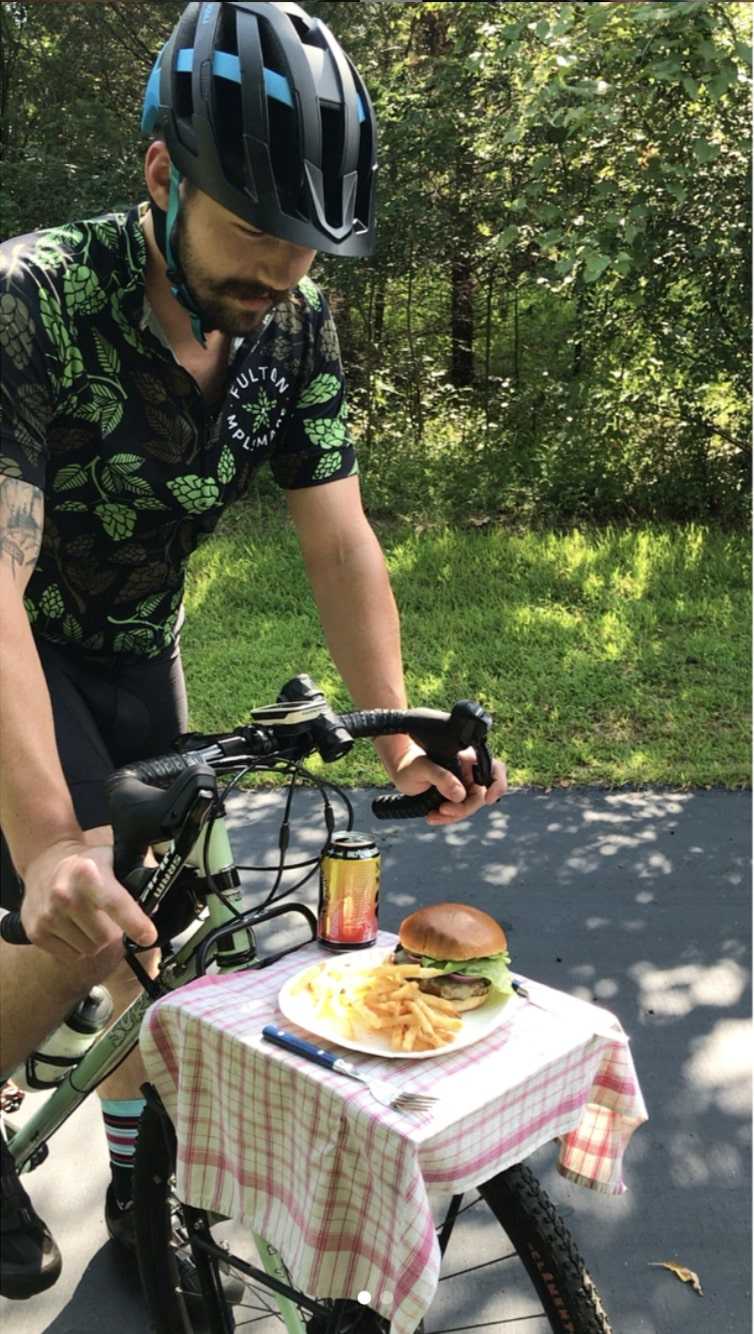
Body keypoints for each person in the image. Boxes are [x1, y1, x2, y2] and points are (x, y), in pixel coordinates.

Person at [0, 0, 507, 1301]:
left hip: (137, 639)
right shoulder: (33, 303)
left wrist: (399, 730)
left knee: (158, 917)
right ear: (163, 173)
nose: (283, 268)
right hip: (19, 636)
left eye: (311, 241)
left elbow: (337, 543)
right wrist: (51, 832)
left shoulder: (292, 327)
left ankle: (136, 1176)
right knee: (80, 913)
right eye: (256, 227)